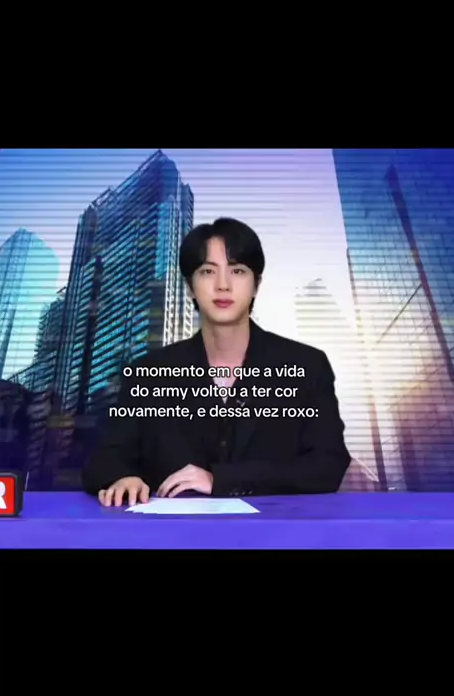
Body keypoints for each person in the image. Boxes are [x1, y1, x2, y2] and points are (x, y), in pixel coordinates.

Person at [82, 217, 351, 506]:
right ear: (190, 287)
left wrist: (221, 479)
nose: (223, 285)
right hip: (173, 531)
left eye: (238, 271)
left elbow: (328, 465)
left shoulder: (307, 366)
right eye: (208, 271)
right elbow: (105, 460)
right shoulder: (147, 373)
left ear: (256, 285)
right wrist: (123, 477)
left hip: (276, 530)